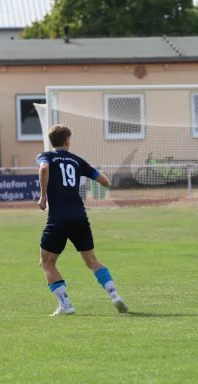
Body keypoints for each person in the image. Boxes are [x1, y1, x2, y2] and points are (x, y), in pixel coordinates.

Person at [36, 124, 128, 316]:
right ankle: (114, 295)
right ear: (67, 142)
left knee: (47, 263)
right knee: (92, 260)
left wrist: (43, 196)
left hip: (58, 218)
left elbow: (44, 169)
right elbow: (103, 180)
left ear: (52, 141)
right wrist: (107, 183)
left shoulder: (46, 156)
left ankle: (66, 304)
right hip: (79, 216)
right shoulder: (76, 160)